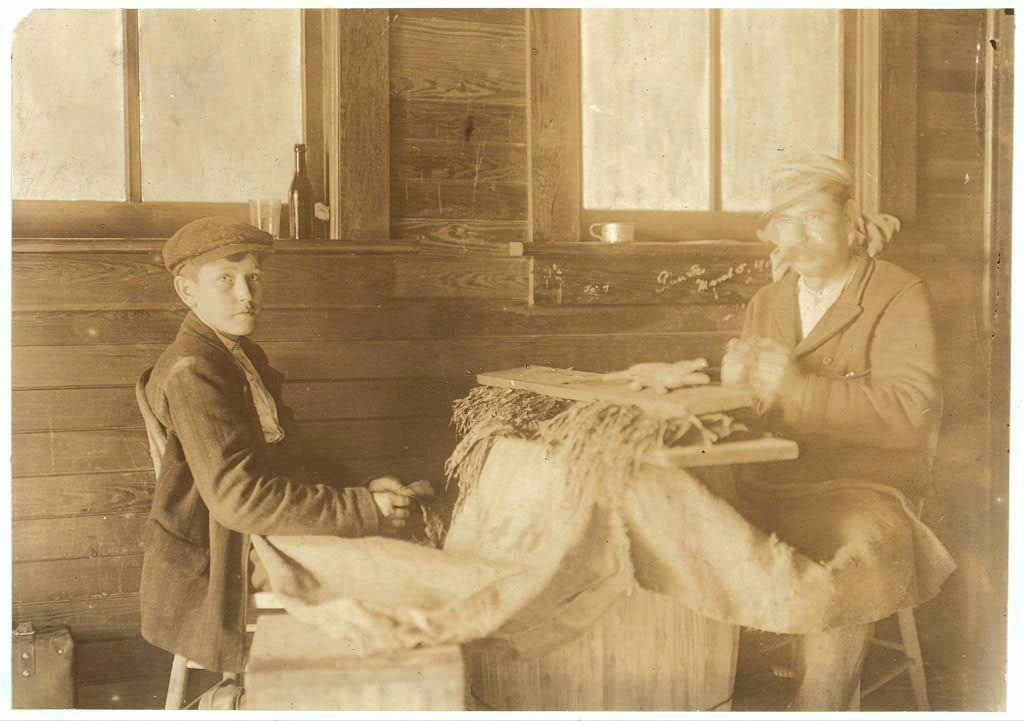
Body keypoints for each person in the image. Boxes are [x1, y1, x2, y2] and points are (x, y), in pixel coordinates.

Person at [614, 154, 951, 710]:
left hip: (865, 487)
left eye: (816, 217)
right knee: (662, 512)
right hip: (771, 482)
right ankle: (697, 693)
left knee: (854, 557)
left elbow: (911, 412)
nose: (800, 236)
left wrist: (797, 389)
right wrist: (705, 380)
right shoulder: (767, 302)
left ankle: (819, 704)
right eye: (786, 222)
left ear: (850, 220)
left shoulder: (897, 293)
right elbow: (751, 408)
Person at [139, 216, 428, 674]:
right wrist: (365, 509)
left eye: (254, 278)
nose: (246, 294)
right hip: (222, 558)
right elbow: (240, 499)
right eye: (226, 280)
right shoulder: (193, 371)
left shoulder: (238, 356)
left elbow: (289, 459)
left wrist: (362, 485)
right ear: (187, 292)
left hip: (253, 534)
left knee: (404, 550)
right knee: (403, 577)